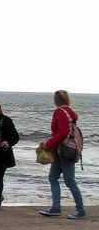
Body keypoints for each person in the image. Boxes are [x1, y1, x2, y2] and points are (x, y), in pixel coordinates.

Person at [38, 89, 87, 219]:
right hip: (62, 150)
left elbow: (63, 132)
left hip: (63, 150)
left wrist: (48, 143)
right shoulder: (70, 113)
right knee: (53, 177)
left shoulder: (60, 112)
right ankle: (55, 207)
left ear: (56, 100)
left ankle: (80, 209)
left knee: (69, 180)